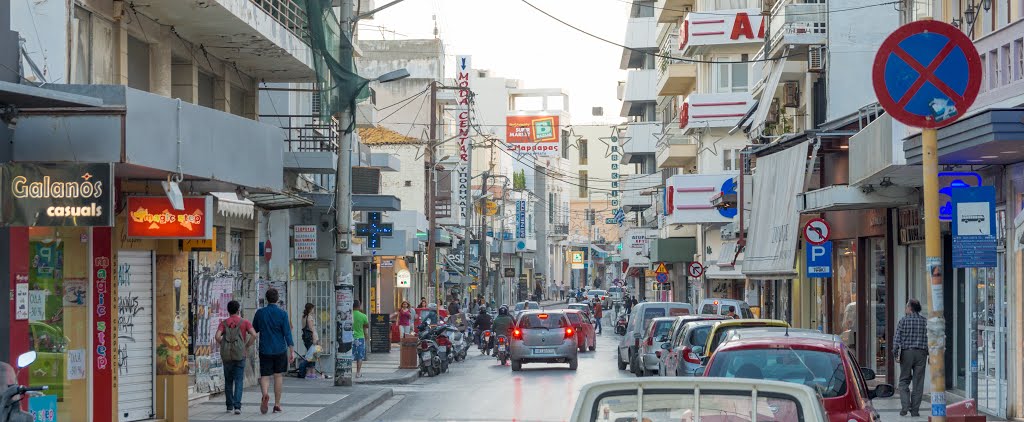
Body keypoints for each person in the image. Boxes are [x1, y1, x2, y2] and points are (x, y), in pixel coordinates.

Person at [252, 289, 294, 414]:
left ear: (266, 299)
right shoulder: (283, 314)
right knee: (278, 376)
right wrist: (291, 350)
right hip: (280, 349)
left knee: (265, 376)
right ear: (277, 299)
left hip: (265, 349)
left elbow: (255, 329)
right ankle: (277, 404)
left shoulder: (260, 313)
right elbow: (287, 333)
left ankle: (265, 394)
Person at [216, 300, 256, 414]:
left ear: (228, 311)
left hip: (227, 355)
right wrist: (247, 345)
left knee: (228, 380)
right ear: (238, 310)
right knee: (239, 381)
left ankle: (229, 406)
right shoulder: (245, 322)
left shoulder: (224, 323)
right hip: (240, 354)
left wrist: (224, 344)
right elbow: (254, 334)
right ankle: (237, 406)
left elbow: (217, 336)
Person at [894, 299, 928, 417]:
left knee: (903, 381)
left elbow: (897, 340)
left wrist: (895, 354)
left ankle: (905, 406)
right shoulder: (925, 322)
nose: (905, 308)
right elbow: (929, 339)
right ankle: (914, 410)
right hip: (921, 354)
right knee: (918, 383)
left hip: (907, 353)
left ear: (910, 308)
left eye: (906, 306)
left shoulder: (903, 321)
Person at [298, 303, 320, 379]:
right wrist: (315, 339)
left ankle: (309, 373)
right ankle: (311, 373)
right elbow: (311, 329)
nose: (314, 310)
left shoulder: (304, 317)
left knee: (310, 355)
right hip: (311, 338)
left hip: (306, 338)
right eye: (313, 308)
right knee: (312, 355)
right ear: (310, 309)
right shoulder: (309, 317)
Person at [352, 299, 370, 378]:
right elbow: (366, 326)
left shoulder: (348, 315)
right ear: (359, 306)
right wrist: (366, 336)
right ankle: (358, 373)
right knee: (359, 356)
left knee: (349, 355)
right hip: (360, 338)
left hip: (349, 338)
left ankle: (348, 371)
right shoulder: (363, 316)